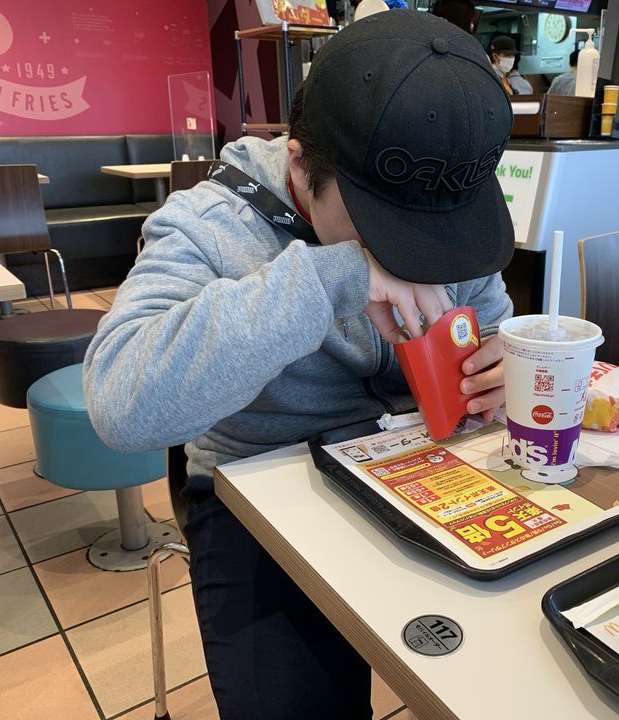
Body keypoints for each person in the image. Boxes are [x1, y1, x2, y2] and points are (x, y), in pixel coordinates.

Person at [82, 10, 515, 720]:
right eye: (387, 226)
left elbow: (490, 318)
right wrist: (335, 275)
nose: (415, 255)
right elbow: (120, 405)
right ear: (300, 165)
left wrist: (503, 360)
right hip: (260, 492)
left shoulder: (448, 197)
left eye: (439, 233)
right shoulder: (208, 225)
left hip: (426, 466)